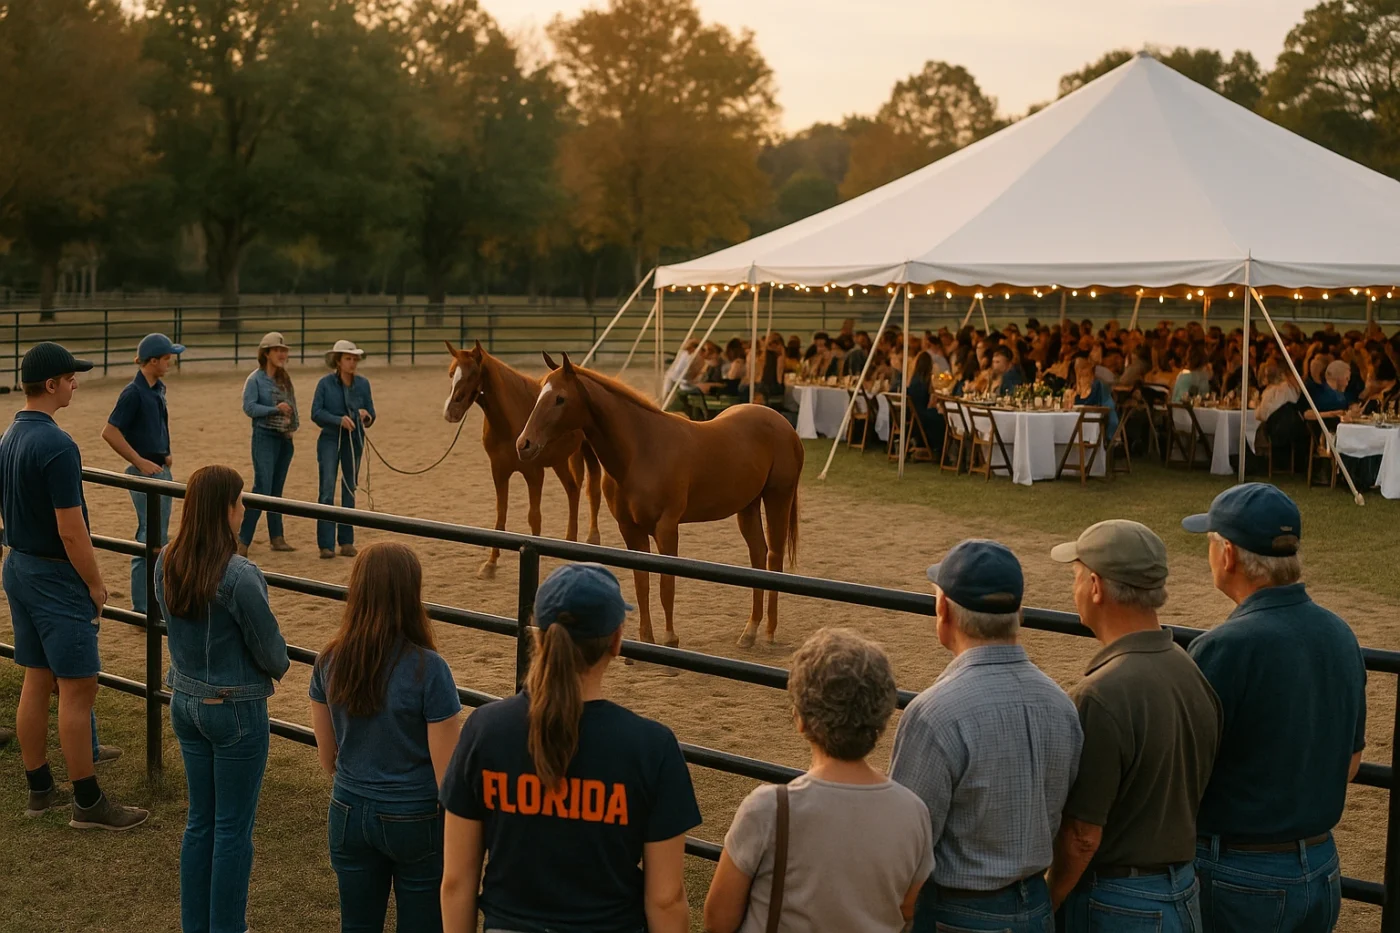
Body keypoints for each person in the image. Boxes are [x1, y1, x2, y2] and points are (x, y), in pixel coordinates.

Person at [439, 563, 700, 933]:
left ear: (538, 637)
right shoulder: (652, 747)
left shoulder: (485, 730)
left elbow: (456, 882)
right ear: (616, 641)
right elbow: (666, 899)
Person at [1182, 484, 1366, 933]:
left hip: (1241, 875)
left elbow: (1184, 772)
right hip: (1321, 867)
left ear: (1227, 554)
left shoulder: (1224, 647)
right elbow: (1352, 763)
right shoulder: (1340, 634)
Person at [890, 540, 1082, 933]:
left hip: (957, 912)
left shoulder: (933, 714)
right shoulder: (1061, 704)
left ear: (944, 611)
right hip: (1035, 906)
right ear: (1018, 614)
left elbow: (906, 844)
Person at [1046, 520, 1221, 930]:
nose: (1074, 588)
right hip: (1181, 889)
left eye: (1076, 576)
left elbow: (1082, 835)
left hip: (1119, 903)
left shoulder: (1101, 694)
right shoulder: (1188, 668)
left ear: (1095, 586)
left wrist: (1049, 899)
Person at [0, 342, 147, 829]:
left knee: (36, 677)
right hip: (53, 575)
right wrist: (96, 583)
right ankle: (88, 801)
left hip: (19, 565)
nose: (75, 384)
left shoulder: (8, 436)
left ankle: (40, 787)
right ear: (51, 385)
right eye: (69, 378)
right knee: (79, 688)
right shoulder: (58, 445)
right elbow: (71, 529)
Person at [704, 628, 932, 933]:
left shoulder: (768, 809)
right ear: (882, 717)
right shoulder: (913, 811)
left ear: (800, 719)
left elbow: (718, 920)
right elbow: (907, 907)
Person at [157, 464, 290, 933]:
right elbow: (271, 651)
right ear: (225, 509)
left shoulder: (166, 559)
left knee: (201, 821)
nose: (244, 507)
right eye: (240, 500)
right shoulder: (238, 575)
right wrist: (278, 665)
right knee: (233, 827)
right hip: (234, 710)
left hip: (185, 699)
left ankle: (197, 925)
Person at [310, 542, 463, 933]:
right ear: (412, 594)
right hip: (414, 814)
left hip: (348, 808)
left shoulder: (329, 660)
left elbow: (327, 757)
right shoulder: (430, 669)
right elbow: (448, 778)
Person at [101, 333, 184, 614]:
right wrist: (139, 461)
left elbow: (156, 424)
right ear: (153, 361)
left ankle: (152, 602)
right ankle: (143, 606)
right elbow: (110, 431)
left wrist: (165, 451)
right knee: (149, 536)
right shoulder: (133, 393)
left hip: (159, 468)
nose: (170, 363)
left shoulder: (157, 388)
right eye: (167, 358)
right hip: (146, 472)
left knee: (158, 536)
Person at [311, 340, 376, 560]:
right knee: (327, 488)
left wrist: (366, 417)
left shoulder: (363, 384)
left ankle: (346, 541)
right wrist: (338, 420)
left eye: (355, 359)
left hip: (354, 440)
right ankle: (326, 544)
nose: (352, 363)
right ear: (338, 361)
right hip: (330, 439)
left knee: (350, 487)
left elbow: (372, 413)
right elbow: (316, 413)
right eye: (348, 358)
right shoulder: (324, 384)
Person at [239, 332, 299, 555]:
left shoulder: (285, 379)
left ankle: (277, 537)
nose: (282, 354)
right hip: (264, 437)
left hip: (284, 438)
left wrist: (293, 426)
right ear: (266, 353)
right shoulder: (255, 379)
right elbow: (249, 407)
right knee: (262, 487)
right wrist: (275, 409)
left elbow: (293, 405)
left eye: (284, 351)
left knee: (276, 489)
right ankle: (243, 539)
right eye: (277, 350)